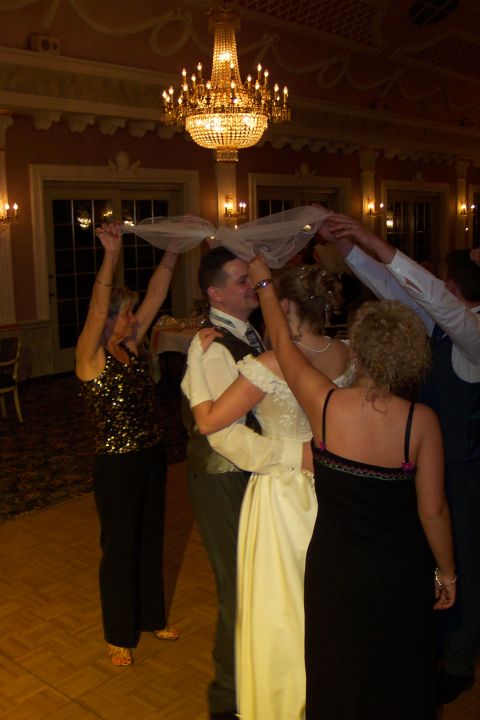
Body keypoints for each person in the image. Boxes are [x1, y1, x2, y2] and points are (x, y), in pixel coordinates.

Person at [248, 254, 456, 720]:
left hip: (336, 569)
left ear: (357, 352)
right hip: (399, 571)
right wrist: (447, 573)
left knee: (338, 672)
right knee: (397, 675)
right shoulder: (420, 421)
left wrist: (264, 284)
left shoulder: (325, 404)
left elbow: (281, 339)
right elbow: (434, 511)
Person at [322, 215, 480, 705]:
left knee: (465, 562)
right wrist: (349, 249)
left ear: (452, 287)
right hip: (426, 466)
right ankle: (433, 647)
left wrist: (371, 239)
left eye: (443, 284)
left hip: (464, 473)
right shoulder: (443, 325)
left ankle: (459, 663)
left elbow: (429, 296)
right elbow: (395, 290)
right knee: (428, 556)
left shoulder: (473, 333)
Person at [189, 263, 350, 720]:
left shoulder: (274, 362)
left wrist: (197, 359)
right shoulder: (346, 353)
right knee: (325, 599)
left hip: (281, 495)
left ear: (283, 306)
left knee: (281, 605)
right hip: (333, 490)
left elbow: (209, 422)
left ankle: (285, 703)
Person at [76, 221, 179, 667]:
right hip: (115, 465)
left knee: (151, 537)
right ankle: (118, 633)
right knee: (120, 548)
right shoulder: (91, 356)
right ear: (107, 320)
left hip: (151, 455)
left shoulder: (132, 345)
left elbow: (157, 291)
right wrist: (111, 256)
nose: (135, 319)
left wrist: (173, 251)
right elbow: (98, 307)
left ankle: (151, 617)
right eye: (127, 314)